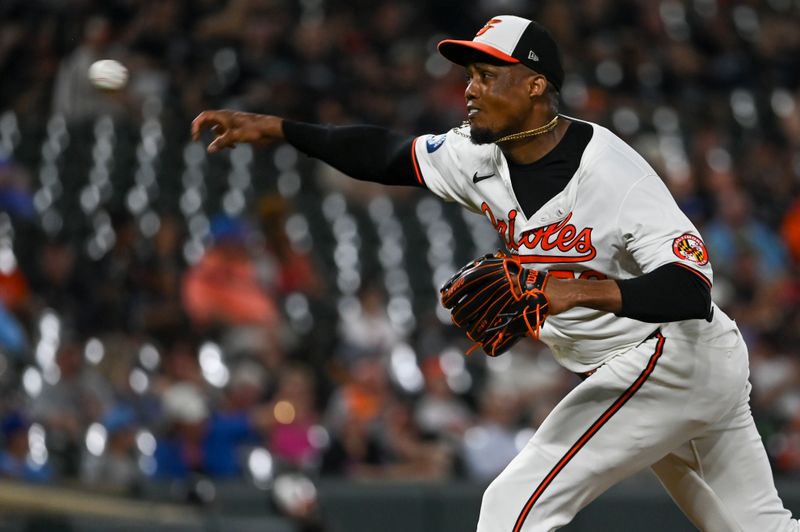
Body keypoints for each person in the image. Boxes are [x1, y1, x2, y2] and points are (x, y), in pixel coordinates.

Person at [192, 15, 799, 532]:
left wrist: (575, 289)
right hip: (666, 368)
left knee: (511, 507)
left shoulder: (614, 173)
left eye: (488, 75)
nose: (471, 89)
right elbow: (384, 155)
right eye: (469, 76)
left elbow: (692, 290)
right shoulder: (477, 156)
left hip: (672, 355)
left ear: (536, 85)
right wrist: (280, 129)